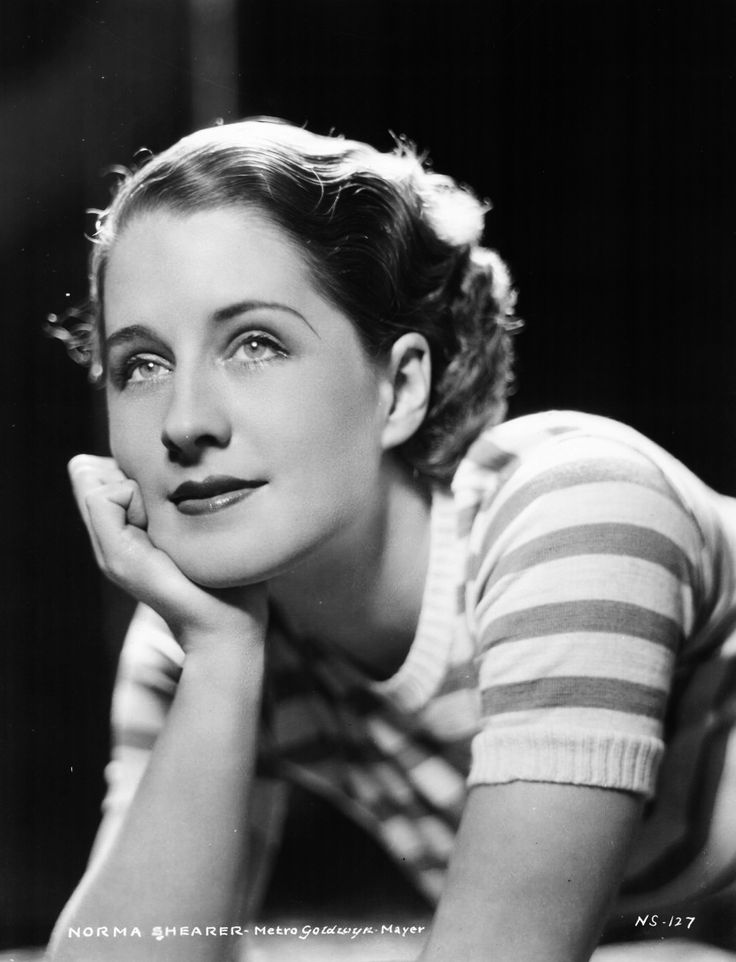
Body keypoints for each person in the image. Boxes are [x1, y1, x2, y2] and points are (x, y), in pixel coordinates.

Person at [45, 118, 736, 962]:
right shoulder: (190, 638)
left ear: (400, 387)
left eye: (255, 344)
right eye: (142, 365)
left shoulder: (574, 510)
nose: (185, 422)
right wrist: (221, 655)